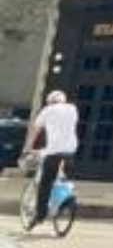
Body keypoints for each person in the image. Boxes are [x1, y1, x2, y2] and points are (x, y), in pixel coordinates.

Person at [24, 90, 78, 230]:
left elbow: (35, 129)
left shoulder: (47, 110)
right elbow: (63, 130)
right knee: (65, 179)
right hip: (70, 151)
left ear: (50, 102)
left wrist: (28, 147)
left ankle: (40, 215)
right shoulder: (72, 109)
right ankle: (67, 201)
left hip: (54, 152)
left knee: (45, 183)